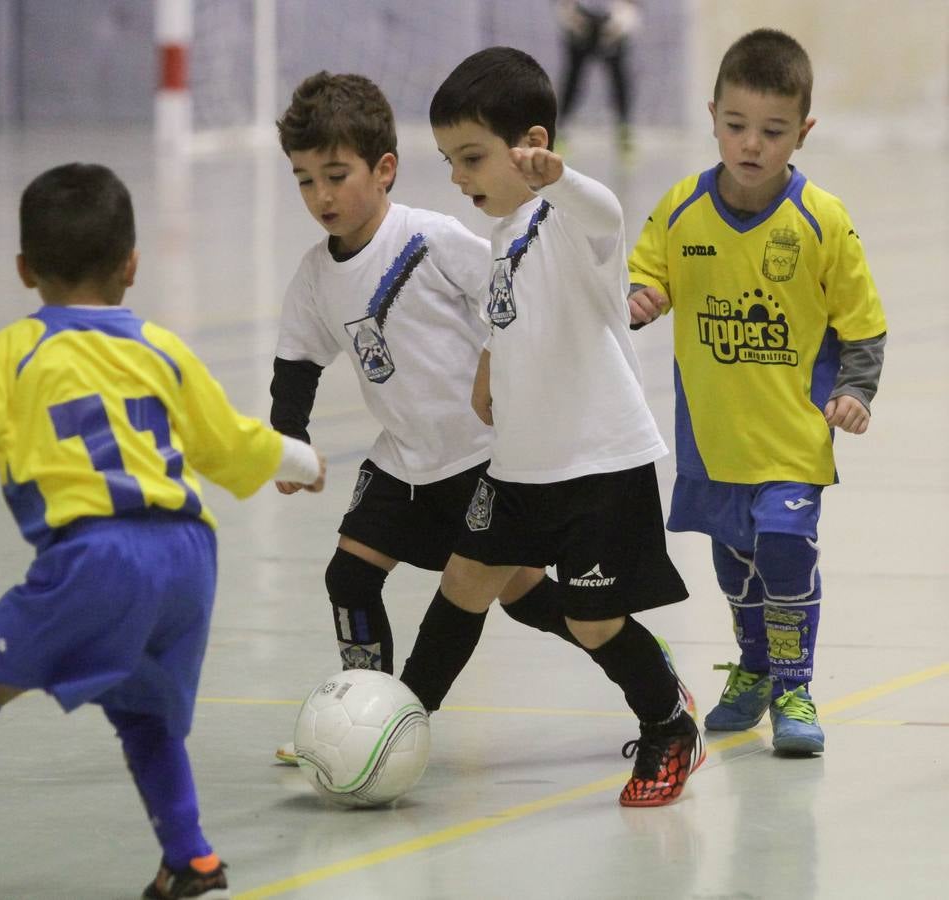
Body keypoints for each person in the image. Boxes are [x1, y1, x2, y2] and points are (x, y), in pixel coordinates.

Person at [0, 163, 326, 900]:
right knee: (143, 711)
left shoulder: (13, 352)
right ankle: (191, 863)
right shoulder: (160, 347)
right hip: (188, 557)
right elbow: (230, 440)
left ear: (25, 270)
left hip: (95, 555)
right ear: (131, 265)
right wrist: (304, 460)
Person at [399, 46, 704, 808]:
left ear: (531, 145)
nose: (459, 177)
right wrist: (489, 366)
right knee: (468, 581)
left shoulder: (570, 220)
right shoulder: (504, 234)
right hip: (520, 465)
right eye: (449, 161)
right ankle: (398, 721)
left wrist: (561, 178)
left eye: (472, 158)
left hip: (598, 465)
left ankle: (668, 723)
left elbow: (606, 212)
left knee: (593, 622)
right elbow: (514, 318)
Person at [270, 71, 580, 764]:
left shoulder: (431, 240)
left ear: (384, 169)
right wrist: (288, 437)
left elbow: (515, 292)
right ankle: (360, 714)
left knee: (528, 599)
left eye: (335, 174)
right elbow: (297, 361)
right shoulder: (316, 276)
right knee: (348, 579)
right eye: (304, 180)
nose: (321, 196)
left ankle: (637, 660)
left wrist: (515, 372)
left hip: (482, 459)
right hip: (402, 460)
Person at [627, 28, 887, 754]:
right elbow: (648, 274)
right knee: (732, 568)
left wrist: (857, 393)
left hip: (793, 440)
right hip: (712, 443)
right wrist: (644, 298)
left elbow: (863, 327)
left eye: (773, 131)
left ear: (802, 132)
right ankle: (753, 665)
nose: (751, 144)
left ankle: (795, 684)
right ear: (712, 115)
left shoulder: (822, 220)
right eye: (736, 125)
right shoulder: (683, 208)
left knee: (784, 546)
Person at [555, 0, 641, 154]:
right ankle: (561, 130)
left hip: (613, 25)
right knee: (573, 80)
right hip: (579, 23)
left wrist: (623, 20)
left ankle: (624, 131)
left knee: (619, 79)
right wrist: (570, 14)